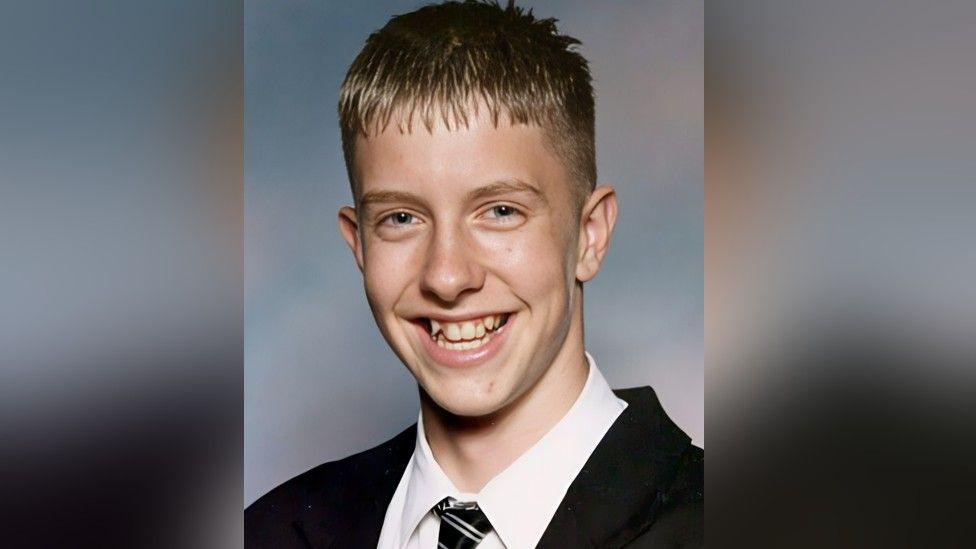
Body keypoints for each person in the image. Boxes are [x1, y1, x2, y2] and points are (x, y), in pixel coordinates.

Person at [245, 1, 702, 547]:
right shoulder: (268, 531)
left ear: (590, 235)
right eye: (401, 218)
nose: (446, 276)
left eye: (500, 212)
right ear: (359, 244)